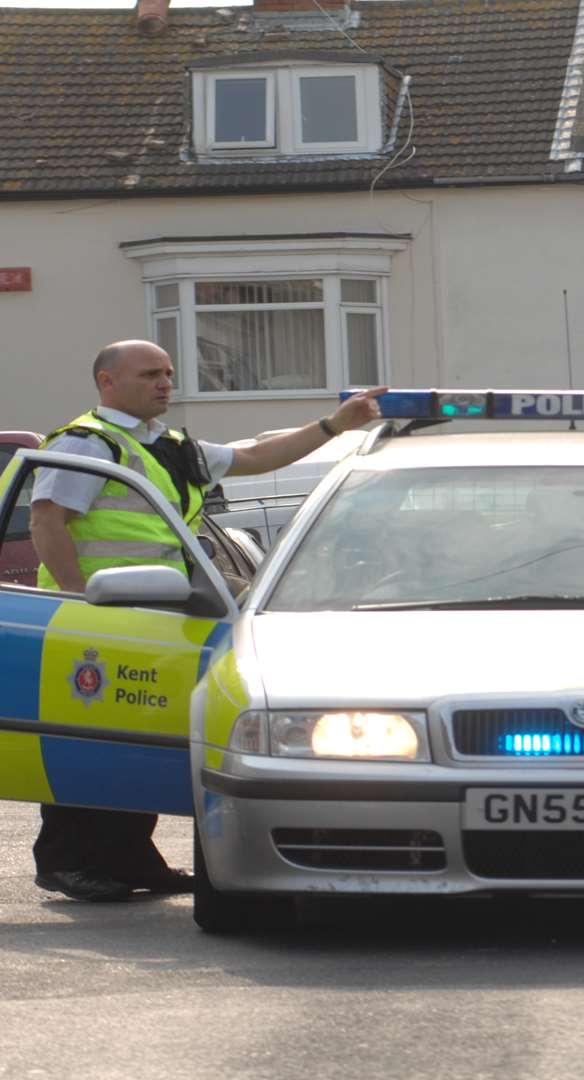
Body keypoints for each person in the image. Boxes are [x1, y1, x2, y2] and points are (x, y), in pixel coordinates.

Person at [24, 340, 385, 902]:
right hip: (103, 616)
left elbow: (254, 457)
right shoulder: (86, 443)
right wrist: (76, 603)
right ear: (107, 383)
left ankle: (127, 859)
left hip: (155, 611)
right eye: (150, 375)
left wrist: (333, 425)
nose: (166, 383)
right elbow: (48, 522)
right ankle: (67, 860)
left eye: (168, 373)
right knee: (91, 738)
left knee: (142, 733)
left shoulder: (167, 444)